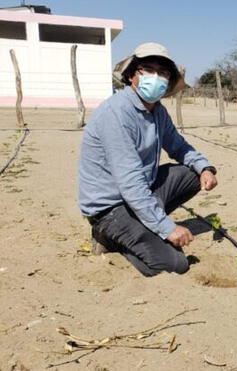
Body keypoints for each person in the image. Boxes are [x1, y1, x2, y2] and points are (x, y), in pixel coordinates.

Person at [78, 43, 218, 276]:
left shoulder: (158, 111)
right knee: (176, 263)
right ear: (132, 74)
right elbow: (130, 182)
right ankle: (109, 237)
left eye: (163, 72)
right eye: (148, 69)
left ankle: (143, 224)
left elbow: (179, 146)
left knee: (192, 174)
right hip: (110, 207)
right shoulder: (117, 113)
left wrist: (205, 168)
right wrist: (167, 228)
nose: (156, 77)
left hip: (138, 192)